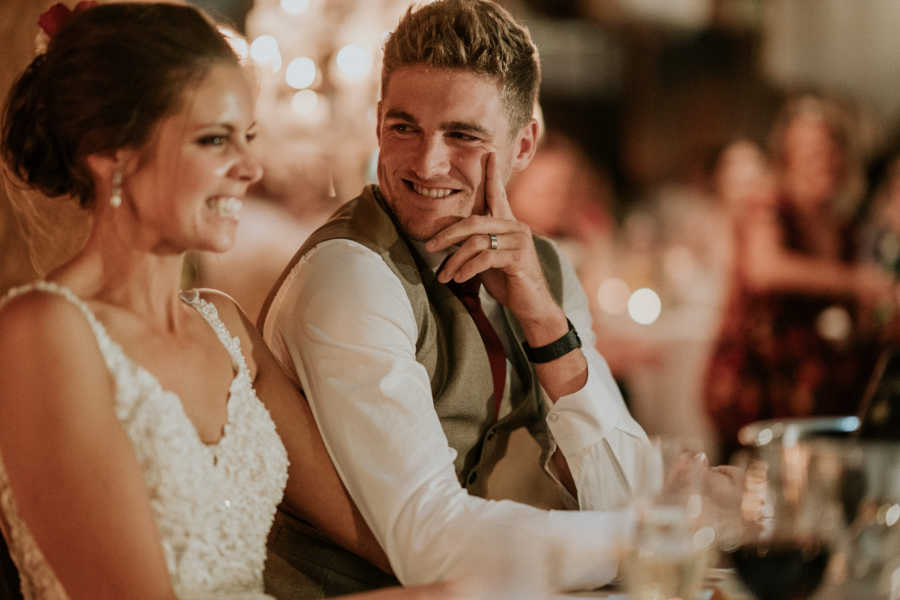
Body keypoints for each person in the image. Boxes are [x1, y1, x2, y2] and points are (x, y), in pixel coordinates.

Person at [0, 4, 468, 599]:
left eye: (249, 136)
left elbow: (384, 531)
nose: (251, 168)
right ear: (112, 154)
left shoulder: (223, 328)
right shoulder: (41, 329)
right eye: (215, 139)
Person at [259, 0, 653, 594]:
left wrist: (543, 318)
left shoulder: (542, 267)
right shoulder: (348, 273)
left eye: (462, 135)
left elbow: (629, 492)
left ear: (524, 145)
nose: (426, 162)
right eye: (403, 127)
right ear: (377, 125)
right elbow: (434, 546)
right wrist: (655, 538)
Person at [703, 96, 896, 459]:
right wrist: (857, 282)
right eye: (809, 150)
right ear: (787, 156)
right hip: (760, 387)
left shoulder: (845, 225)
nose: (822, 159)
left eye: (830, 147)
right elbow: (764, 269)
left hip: (821, 394)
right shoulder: (767, 205)